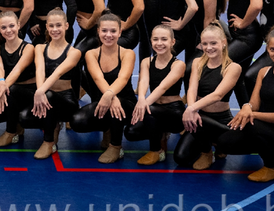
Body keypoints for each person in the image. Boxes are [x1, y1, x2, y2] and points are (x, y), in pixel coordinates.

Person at [218, 24, 274, 182]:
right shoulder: (263, 72)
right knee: (225, 142)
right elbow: (254, 104)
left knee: (252, 123)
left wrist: (252, 114)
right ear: (267, 49)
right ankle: (270, 150)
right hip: (267, 129)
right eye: (273, 49)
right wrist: (247, 107)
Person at [70, 13, 137, 164]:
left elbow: (123, 78)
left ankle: (116, 146)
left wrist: (110, 96)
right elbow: (98, 78)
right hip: (103, 103)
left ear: (120, 32)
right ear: (98, 31)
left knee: (117, 106)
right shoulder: (91, 54)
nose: (108, 35)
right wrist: (109, 97)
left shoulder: (128, 53)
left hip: (126, 103)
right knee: (77, 121)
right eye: (104, 31)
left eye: (113, 31)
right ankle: (108, 129)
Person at [173, 24, 241, 170]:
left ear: (223, 43)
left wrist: (191, 109)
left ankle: (207, 151)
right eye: (205, 44)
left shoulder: (233, 67)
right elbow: (192, 88)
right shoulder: (198, 62)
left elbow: (218, 94)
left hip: (221, 120)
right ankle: (207, 146)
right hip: (199, 118)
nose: (209, 47)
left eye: (213, 43)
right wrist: (192, 109)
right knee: (180, 157)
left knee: (227, 144)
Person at [124, 25, 185, 165]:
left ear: (172, 42)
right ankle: (161, 133)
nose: (159, 43)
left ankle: (156, 151)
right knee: (130, 132)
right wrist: (141, 99)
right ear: (151, 41)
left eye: (164, 39)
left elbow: (163, 87)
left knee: (148, 111)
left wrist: (144, 104)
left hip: (174, 111)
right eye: (155, 39)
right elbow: (144, 81)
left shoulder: (178, 64)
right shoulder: (146, 61)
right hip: (155, 108)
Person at [29, 9, 82, 159]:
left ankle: (48, 142)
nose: (55, 29)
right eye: (51, 26)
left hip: (66, 100)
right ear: (46, 27)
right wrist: (40, 91)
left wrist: (41, 92)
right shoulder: (40, 48)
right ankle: (53, 124)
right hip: (46, 96)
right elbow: (40, 70)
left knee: (49, 95)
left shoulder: (74, 52)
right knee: (25, 117)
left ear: (66, 26)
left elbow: (57, 72)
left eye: (58, 25)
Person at [0, 11, 36, 148]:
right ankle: (16, 121)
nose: (8, 30)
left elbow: (17, 70)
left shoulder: (29, 48)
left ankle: (10, 132)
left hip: (29, 93)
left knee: (12, 90)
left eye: (12, 26)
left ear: (18, 25)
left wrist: (3, 86)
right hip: (10, 90)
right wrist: (1, 81)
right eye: (4, 27)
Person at [228, 0, 266, 105]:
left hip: (247, 37)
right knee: (239, 79)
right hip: (244, 36)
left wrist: (243, 23)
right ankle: (249, 113)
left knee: (219, 66)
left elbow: (257, 4)